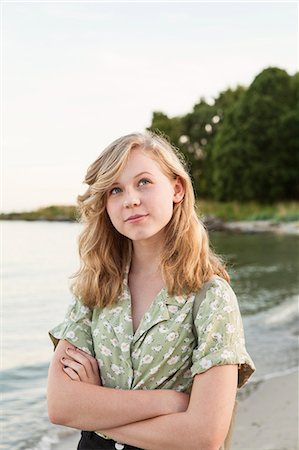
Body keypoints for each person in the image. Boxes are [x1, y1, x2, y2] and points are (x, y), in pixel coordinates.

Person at [47, 131, 255, 450]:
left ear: (176, 189)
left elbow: (204, 436)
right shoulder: (95, 290)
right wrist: (169, 403)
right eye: (116, 189)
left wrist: (95, 412)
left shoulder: (211, 296)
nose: (130, 199)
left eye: (143, 182)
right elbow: (61, 406)